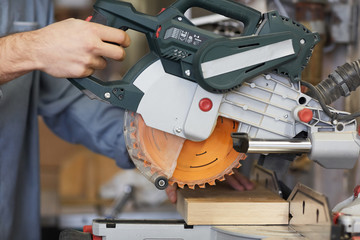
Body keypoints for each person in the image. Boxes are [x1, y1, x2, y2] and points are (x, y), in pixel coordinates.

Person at [0, 1, 253, 239]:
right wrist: (29, 48)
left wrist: (164, 148)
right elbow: (35, 52)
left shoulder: (31, 3)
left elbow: (65, 102)